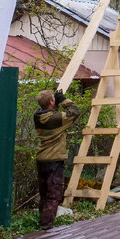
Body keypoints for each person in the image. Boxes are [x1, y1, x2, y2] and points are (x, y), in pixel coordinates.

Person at [33, 88, 80, 230]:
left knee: (44, 192)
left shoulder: (37, 116)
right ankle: (46, 226)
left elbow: (49, 112)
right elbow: (75, 111)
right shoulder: (56, 119)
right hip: (54, 159)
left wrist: (53, 102)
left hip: (42, 158)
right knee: (53, 195)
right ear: (51, 102)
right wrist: (64, 100)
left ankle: (43, 220)